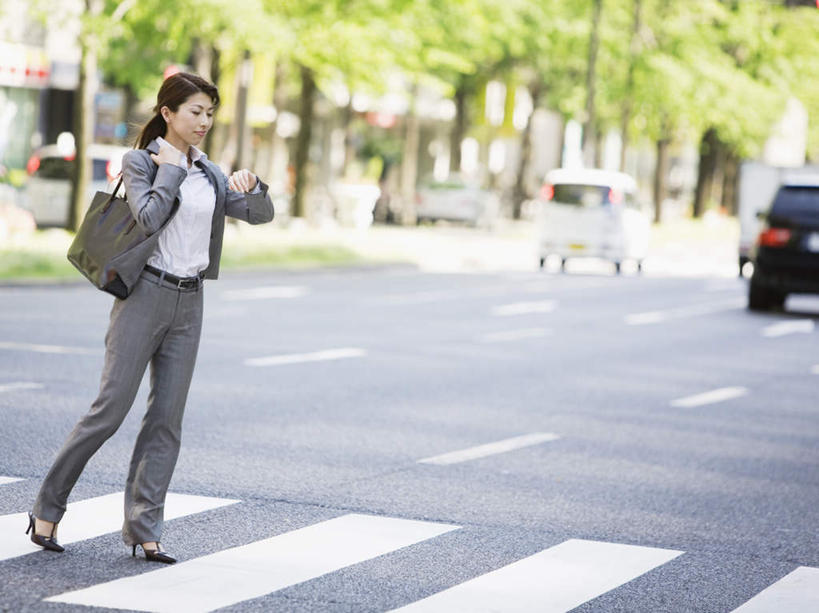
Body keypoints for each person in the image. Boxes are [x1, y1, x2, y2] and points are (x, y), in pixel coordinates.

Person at [26, 72, 274, 564]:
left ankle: (144, 529)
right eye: (195, 111)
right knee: (109, 412)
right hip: (144, 296)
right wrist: (169, 168)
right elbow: (148, 216)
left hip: (189, 301)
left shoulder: (209, 173)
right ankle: (46, 506)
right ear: (167, 113)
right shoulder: (141, 161)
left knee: (166, 421)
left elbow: (260, 214)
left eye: (209, 113)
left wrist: (253, 185)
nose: (204, 121)